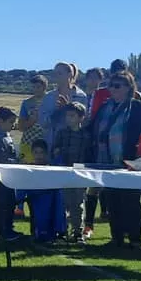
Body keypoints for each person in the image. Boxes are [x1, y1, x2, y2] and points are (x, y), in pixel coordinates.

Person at [94, 71, 141, 247]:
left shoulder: (138, 108)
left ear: (128, 87)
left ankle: (135, 239)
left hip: (130, 161)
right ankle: (116, 237)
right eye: (110, 86)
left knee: (131, 201)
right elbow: (95, 129)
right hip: (108, 161)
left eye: (117, 86)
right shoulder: (105, 107)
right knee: (113, 200)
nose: (113, 89)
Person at [51, 102, 93, 242]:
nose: (68, 118)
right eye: (67, 115)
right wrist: (57, 152)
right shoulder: (61, 133)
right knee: (63, 202)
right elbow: (54, 150)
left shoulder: (86, 136)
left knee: (78, 203)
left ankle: (77, 231)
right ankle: (61, 230)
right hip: (64, 171)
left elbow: (89, 155)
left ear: (81, 117)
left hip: (80, 173)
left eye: (72, 116)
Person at [39, 62, 90, 152]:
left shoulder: (81, 96)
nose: (56, 76)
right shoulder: (48, 97)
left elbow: (84, 121)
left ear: (70, 74)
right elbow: (43, 122)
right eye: (55, 73)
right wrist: (58, 111)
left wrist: (68, 108)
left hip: (74, 145)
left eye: (59, 73)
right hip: (52, 143)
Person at [0, 107, 24, 240]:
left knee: (10, 202)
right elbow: (2, 158)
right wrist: (18, 162)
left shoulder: (7, 135)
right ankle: (4, 230)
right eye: (10, 122)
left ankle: (5, 228)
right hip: (1, 175)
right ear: (0, 121)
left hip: (9, 175)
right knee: (3, 202)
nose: (13, 125)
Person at [16, 74, 50, 164]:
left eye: (38, 87)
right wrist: (31, 121)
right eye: (33, 87)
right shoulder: (26, 103)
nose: (35, 89)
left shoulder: (52, 101)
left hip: (46, 143)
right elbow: (20, 127)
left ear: (45, 87)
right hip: (28, 142)